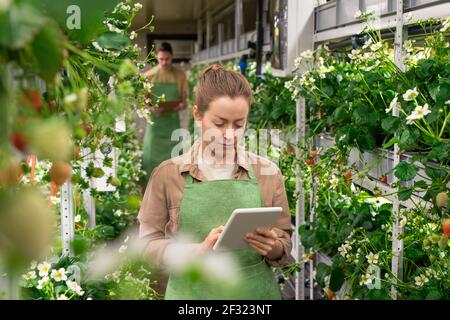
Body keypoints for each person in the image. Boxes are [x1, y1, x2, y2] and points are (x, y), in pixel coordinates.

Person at [138, 64, 292, 300]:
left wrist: (274, 247)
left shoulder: (268, 173)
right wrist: (195, 252)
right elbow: (148, 246)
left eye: (239, 124)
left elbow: (284, 238)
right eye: (219, 123)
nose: (230, 134)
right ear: (198, 115)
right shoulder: (168, 175)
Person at [142, 42, 188, 182]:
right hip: (155, 125)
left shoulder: (180, 75)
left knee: (173, 158)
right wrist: (150, 108)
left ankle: (174, 185)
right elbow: (143, 102)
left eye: (167, 59)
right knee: (151, 159)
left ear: (172, 57)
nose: (164, 62)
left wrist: (178, 106)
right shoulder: (149, 75)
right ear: (156, 57)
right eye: (161, 59)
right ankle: (151, 185)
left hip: (172, 123)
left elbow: (184, 102)